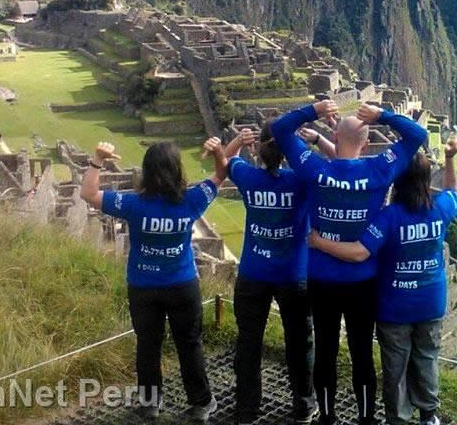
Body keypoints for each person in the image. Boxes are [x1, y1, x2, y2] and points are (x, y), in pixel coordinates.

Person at [272, 100, 428, 425]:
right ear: (367, 143)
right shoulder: (379, 169)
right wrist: (383, 116)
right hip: (363, 281)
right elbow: (417, 136)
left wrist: (313, 110)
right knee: (361, 352)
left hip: (322, 279)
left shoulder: (315, 169)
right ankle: (366, 417)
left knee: (326, 352)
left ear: (335, 136)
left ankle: (327, 416)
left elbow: (279, 129)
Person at [309, 139, 457, 425]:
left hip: (396, 306)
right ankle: (429, 414)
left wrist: (319, 242)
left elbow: (358, 252)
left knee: (396, 366)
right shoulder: (440, 208)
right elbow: (454, 190)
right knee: (427, 358)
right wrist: (450, 158)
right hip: (431, 302)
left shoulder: (389, 218)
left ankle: (399, 418)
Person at [80, 138, 227, 422]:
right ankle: (200, 403)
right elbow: (221, 174)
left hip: (143, 286)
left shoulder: (132, 204)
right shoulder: (192, 200)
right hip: (182, 284)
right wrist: (219, 151)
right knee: (189, 344)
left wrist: (97, 159)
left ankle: (150, 403)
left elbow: (89, 193)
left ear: (147, 171)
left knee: (148, 344)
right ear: (178, 170)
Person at [209, 122, 327, 424]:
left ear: (258, 149)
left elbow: (223, 162)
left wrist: (237, 140)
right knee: (300, 343)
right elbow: (332, 164)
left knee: (249, 342)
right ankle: (303, 405)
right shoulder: (301, 181)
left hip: (254, 272)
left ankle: (247, 409)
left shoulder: (248, 177)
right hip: (293, 274)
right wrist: (312, 140)